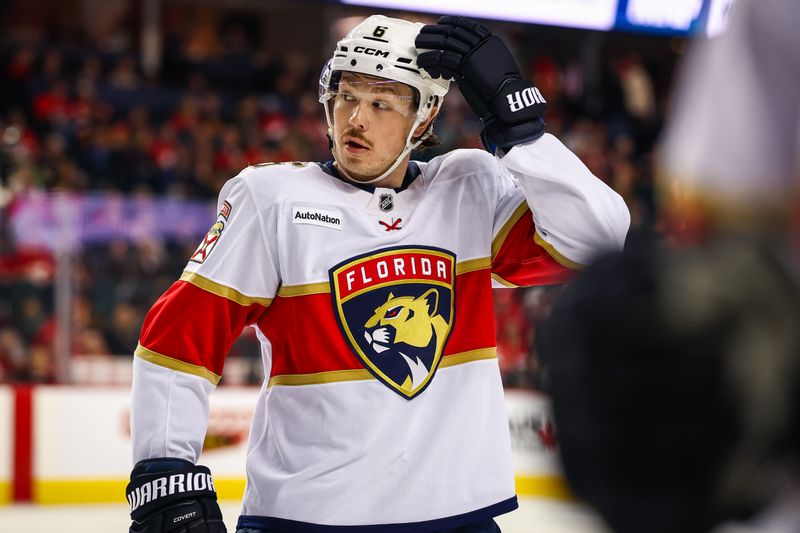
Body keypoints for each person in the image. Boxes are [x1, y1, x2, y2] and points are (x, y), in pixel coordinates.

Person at [126, 15, 629, 533]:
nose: (356, 119)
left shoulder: (467, 188)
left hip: (462, 518)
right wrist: (164, 471)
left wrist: (520, 127)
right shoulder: (271, 200)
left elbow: (600, 238)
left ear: (425, 114)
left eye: (382, 103)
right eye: (347, 97)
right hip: (306, 522)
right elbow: (178, 338)